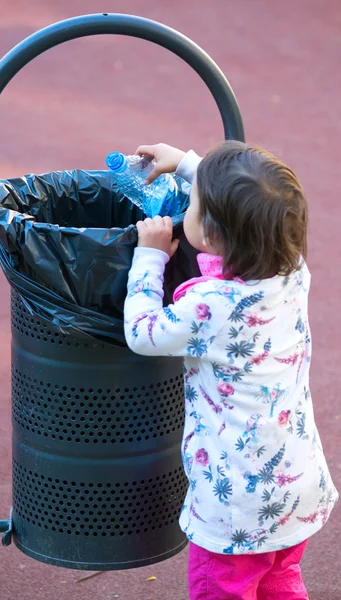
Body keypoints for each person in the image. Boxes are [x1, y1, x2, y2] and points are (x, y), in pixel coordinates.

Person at [123, 142, 338, 599]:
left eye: (195, 202)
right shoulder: (291, 271)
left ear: (215, 236)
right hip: (294, 491)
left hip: (234, 509)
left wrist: (150, 255)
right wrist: (184, 164)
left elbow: (142, 332)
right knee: (279, 579)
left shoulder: (210, 306)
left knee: (222, 590)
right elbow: (252, 207)